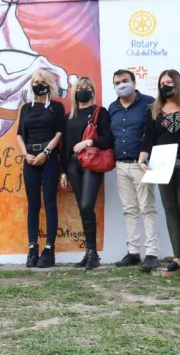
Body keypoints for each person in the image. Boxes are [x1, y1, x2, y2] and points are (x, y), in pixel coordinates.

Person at [139, 69, 180, 280]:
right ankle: (178, 257)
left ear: (178, 83)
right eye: (162, 83)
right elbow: (148, 138)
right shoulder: (153, 109)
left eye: (169, 82)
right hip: (161, 164)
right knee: (170, 208)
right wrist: (142, 160)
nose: (166, 86)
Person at [60, 77, 114, 270]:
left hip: (92, 164)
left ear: (92, 91)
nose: (83, 90)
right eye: (80, 87)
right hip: (73, 166)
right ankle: (90, 253)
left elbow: (108, 140)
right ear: (74, 91)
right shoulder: (69, 117)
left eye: (87, 87)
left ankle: (92, 253)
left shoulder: (100, 112)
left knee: (86, 204)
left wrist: (88, 142)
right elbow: (65, 146)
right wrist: (63, 172)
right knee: (83, 209)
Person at [108, 69, 159, 272]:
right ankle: (133, 252)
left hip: (142, 164)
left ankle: (152, 253)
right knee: (129, 210)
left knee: (147, 208)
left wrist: (147, 157)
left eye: (125, 81)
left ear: (134, 82)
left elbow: (154, 133)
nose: (121, 85)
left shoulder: (149, 103)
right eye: (117, 82)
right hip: (120, 165)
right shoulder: (112, 108)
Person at [17, 70, 66, 268]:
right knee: (33, 204)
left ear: (49, 84)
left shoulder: (56, 107)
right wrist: (26, 155)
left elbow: (59, 133)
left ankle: (49, 249)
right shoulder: (26, 108)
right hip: (30, 159)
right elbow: (20, 135)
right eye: (35, 81)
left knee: (50, 203)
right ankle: (32, 249)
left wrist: (45, 152)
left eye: (42, 81)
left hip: (49, 158)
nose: (39, 84)